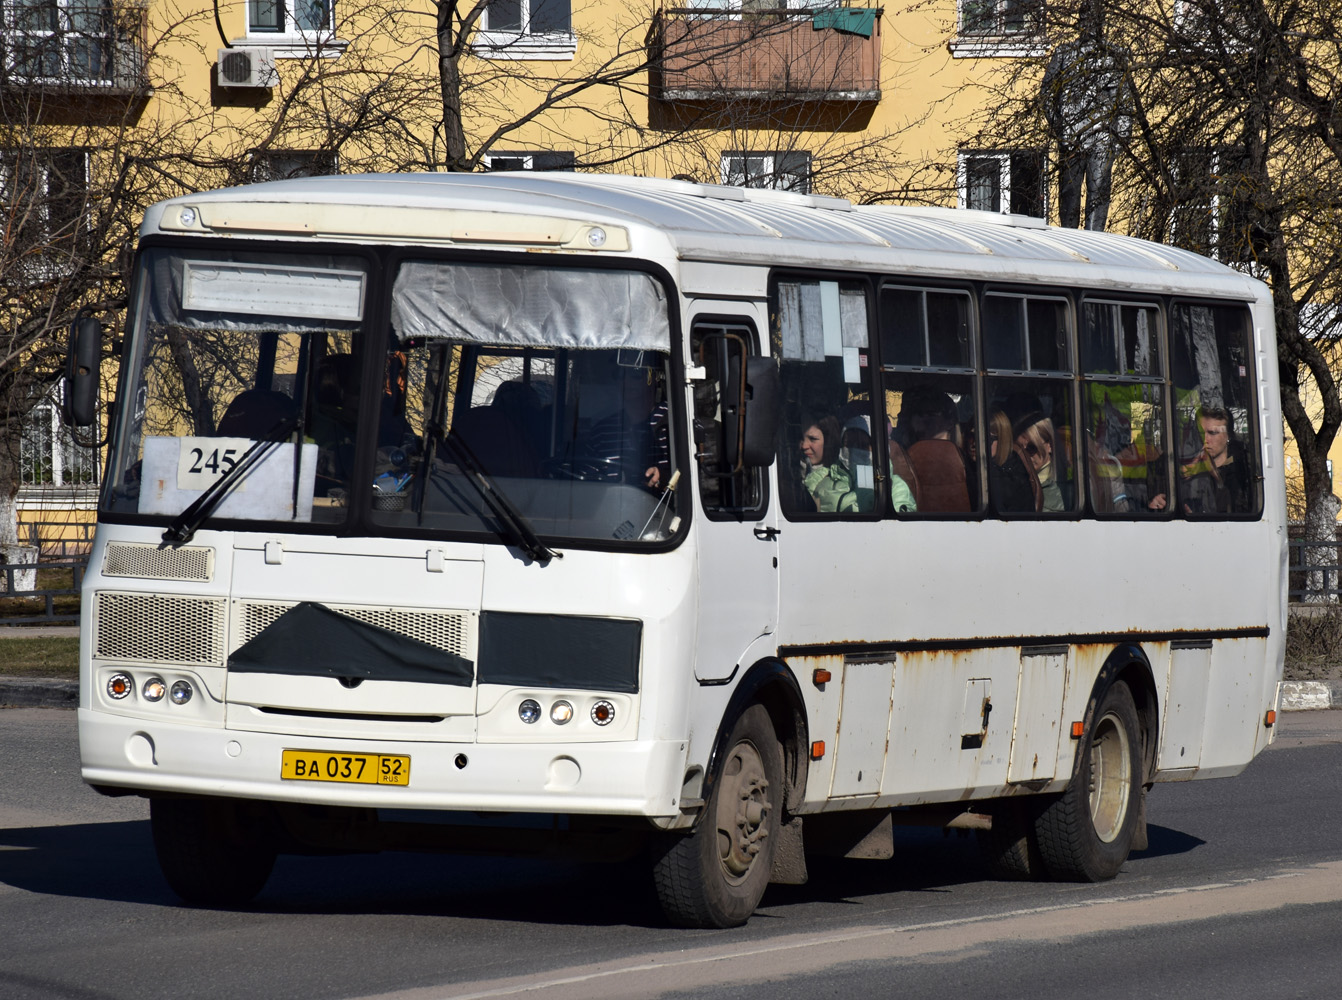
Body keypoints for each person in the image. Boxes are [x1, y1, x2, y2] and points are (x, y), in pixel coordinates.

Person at [1041, 2, 1132, 231]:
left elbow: (1124, 101)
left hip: (1103, 138)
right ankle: (1070, 239)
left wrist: (1120, 136)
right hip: (1071, 137)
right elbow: (1047, 93)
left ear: (1102, 24)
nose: (1090, 26)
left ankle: (1095, 240)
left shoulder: (1114, 55)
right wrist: (1059, 125)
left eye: (1095, 21)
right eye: (1086, 20)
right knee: (1069, 192)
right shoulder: (1064, 54)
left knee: (1099, 191)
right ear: (1080, 23)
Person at [1178, 406, 1252, 514]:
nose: (1205, 439)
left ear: (1228, 435)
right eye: (1200, 433)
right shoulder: (1185, 466)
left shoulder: (1245, 470)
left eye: (1212, 433)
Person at [1014, 411, 1065, 512]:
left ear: (1049, 445)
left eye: (1031, 448)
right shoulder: (1014, 483)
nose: (1026, 456)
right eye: (1020, 449)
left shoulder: (1059, 493)